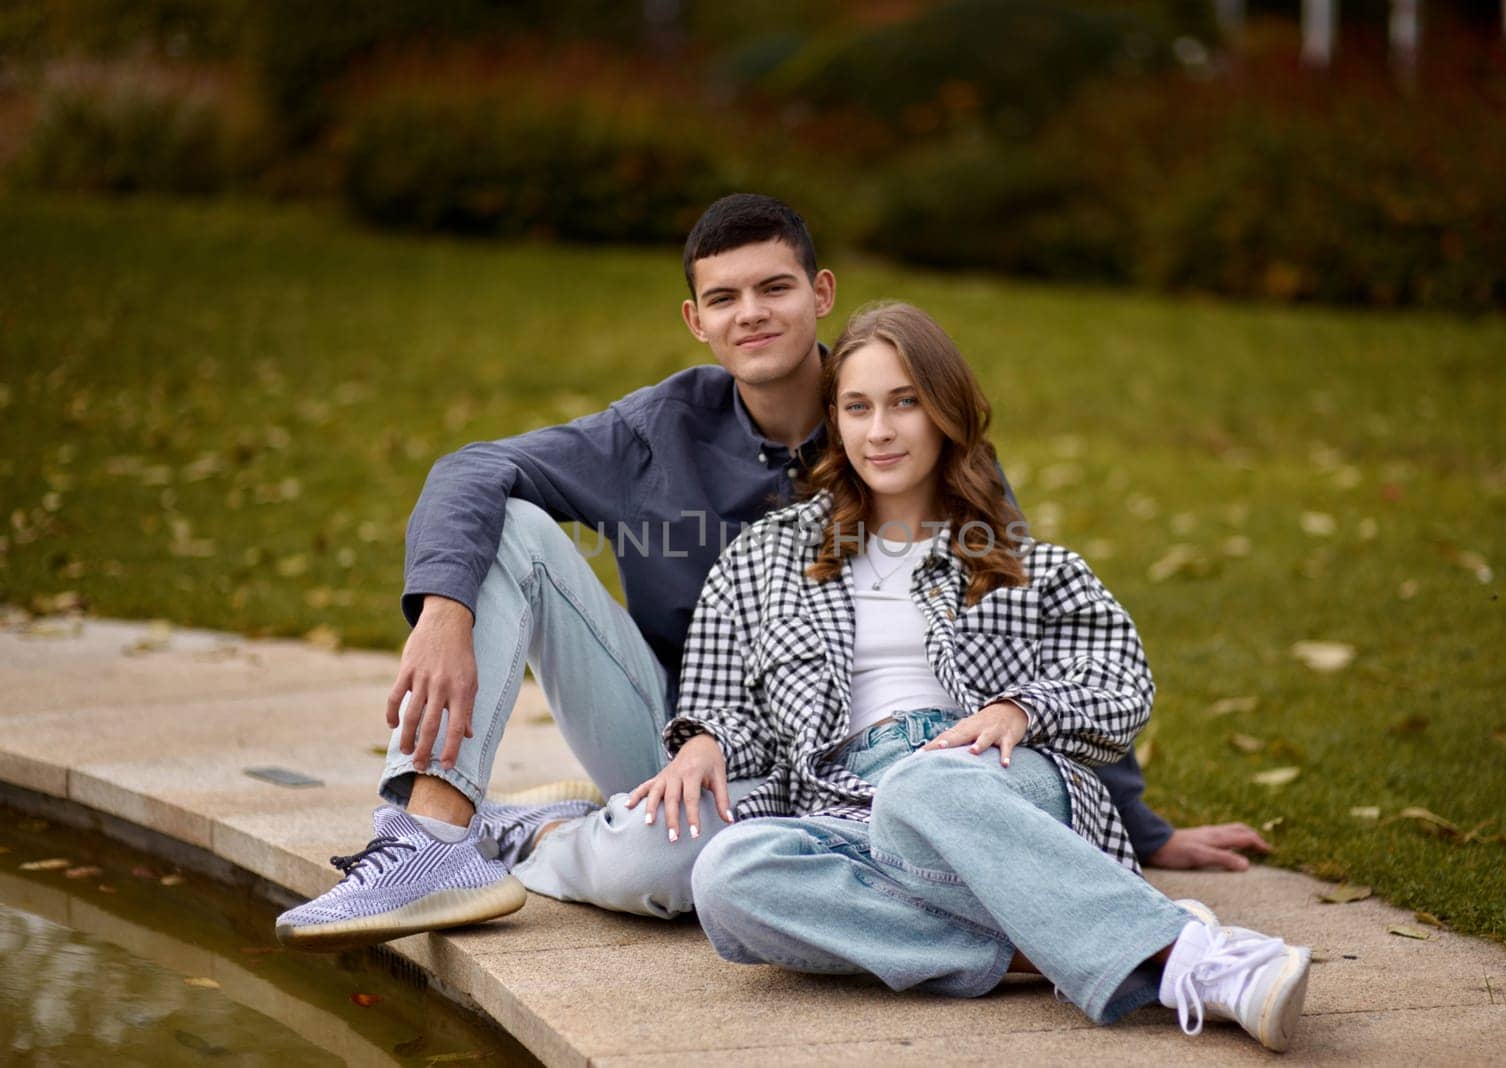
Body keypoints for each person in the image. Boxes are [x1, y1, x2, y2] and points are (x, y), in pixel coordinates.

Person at [274, 194, 1268, 950]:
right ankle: (433, 839)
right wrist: (444, 605)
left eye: (774, 287)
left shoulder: (904, 425)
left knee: (676, 883)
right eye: (724, 297)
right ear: (696, 319)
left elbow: (1021, 633)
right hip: (684, 740)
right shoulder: (653, 429)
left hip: (848, 771)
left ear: (819, 293)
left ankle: (540, 838)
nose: (752, 313)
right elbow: (472, 469)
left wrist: (1135, 824)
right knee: (512, 530)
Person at [654, 302, 1310, 1050]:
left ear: (945, 413)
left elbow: (1121, 678)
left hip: (995, 781)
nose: (881, 431)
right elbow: (719, 699)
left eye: (906, 402)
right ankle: (1124, 948)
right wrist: (703, 738)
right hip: (849, 813)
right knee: (730, 874)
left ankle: (1208, 965)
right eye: (858, 407)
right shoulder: (763, 558)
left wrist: (1021, 709)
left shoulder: (1028, 566)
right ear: (833, 422)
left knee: (922, 783)